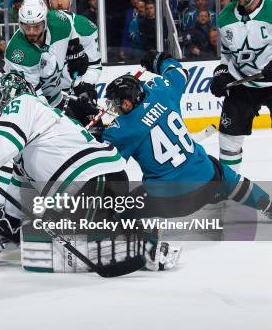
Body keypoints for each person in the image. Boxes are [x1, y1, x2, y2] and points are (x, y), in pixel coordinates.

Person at [102, 51, 272, 256]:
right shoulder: (162, 91)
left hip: (165, 201)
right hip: (207, 182)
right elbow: (178, 71)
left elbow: (103, 160)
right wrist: (159, 60)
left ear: (128, 103)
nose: (115, 108)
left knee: (125, 207)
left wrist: (90, 132)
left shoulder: (120, 131)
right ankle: (267, 204)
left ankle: (149, 247)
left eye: (116, 103)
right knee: (226, 174)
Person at [0, 72, 129, 265]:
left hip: (90, 183)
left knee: (44, 255)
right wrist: (7, 224)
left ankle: (127, 241)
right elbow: (20, 193)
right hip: (107, 180)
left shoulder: (24, 102)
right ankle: (121, 227)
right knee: (43, 233)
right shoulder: (40, 127)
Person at [212, 0, 272, 173]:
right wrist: (220, 74)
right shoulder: (225, 18)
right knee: (228, 141)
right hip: (243, 84)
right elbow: (226, 55)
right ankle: (230, 190)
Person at [47, 0, 102, 127]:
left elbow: (95, 64)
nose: (59, 3)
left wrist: (86, 86)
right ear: (49, 0)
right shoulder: (40, 27)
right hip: (50, 94)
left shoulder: (84, 26)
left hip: (79, 93)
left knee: (95, 135)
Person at [4, 0, 72, 109]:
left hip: (55, 96)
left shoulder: (60, 21)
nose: (31, 32)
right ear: (20, 24)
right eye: (27, 27)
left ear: (45, 22)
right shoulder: (17, 52)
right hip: (26, 104)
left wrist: (76, 49)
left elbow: (73, 25)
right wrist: (57, 116)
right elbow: (36, 98)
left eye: (36, 27)